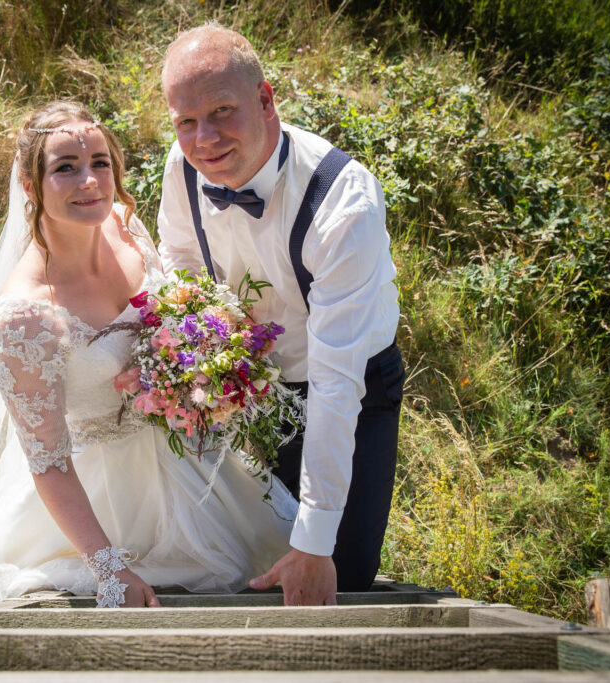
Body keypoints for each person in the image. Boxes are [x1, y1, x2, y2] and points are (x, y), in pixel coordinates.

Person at [0, 101, 296, 609]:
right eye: (66, 168)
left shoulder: (125, 226)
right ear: (31, 186)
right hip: (103, 507)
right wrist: (108, 567)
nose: (90, 182)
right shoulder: (26, 318)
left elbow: (171, 321)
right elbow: (48, 461)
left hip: (196, 468)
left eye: (99, 162)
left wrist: (198, 366)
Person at [157, 24, 404, 605]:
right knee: (224, 560)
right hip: (243, 384)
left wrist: (316, 545)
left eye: (222, 111)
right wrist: (207, 351)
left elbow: (335, 381)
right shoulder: (184, 165)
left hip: (349, 386)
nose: (204, 139)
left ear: (266, 100)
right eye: (186, 121)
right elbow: (180, 254)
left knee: (338, 575)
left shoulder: (344, 201)